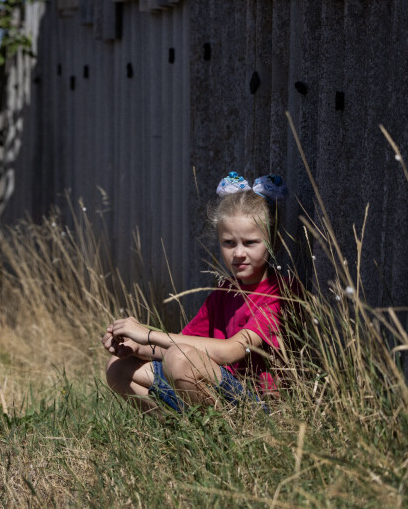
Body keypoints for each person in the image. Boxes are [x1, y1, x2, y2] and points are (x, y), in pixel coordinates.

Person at [102, 172, 290, 411]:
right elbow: (186, 342)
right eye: (229, 243)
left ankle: (228, 433)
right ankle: (182, 433)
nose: (238, 253)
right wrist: (136, 347)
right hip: (218, 387)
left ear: (273, 239)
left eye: (250, 243)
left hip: (258, 405)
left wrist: (147, 334)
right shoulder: (226, 290)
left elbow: (231, 351)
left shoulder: (279, 292)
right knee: (118, 366)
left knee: (178, 359)